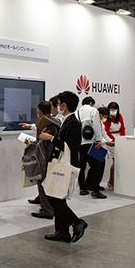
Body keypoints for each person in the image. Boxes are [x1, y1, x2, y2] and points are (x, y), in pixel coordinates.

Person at [39, 91, 88, 243]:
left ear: (64, 105)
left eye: (59, 104)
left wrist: (51, 138)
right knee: (57, 196)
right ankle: (62, 231)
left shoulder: (73, 123)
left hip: (66, 164)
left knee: (54, 198)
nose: (57, 107)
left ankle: (77, 222)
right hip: (60, 162)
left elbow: (69, 146)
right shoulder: (67, 121)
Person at [21, 100, 60, 219]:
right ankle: (43, 201)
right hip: (51, 155)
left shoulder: (46, 124)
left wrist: (31, 144)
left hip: (44, 156)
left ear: (39, 111)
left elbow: (43, 141)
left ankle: (47, 210)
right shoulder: (55, 122)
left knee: (42, 181)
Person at [76, 96, 106, 198]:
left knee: (82, 166)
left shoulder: (77, 112)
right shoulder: (93, 110)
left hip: (81, 143)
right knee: (98, 165)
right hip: (92, 142)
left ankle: (82, 188)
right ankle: (95, 189)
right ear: (91, 103)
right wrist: (99, 140)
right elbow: (96, 126)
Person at [104, 101, 126, 189]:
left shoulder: (119, 116)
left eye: (115, 109)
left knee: (119, 162)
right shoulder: (106, 118)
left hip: (119, 139)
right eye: (112, 109)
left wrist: (122, 139)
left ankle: (113, 181)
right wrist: (113, 139)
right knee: (115, 160)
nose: (113, 111)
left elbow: (123, 128)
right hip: (110, 140)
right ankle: (111, 181)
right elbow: (106, 131)